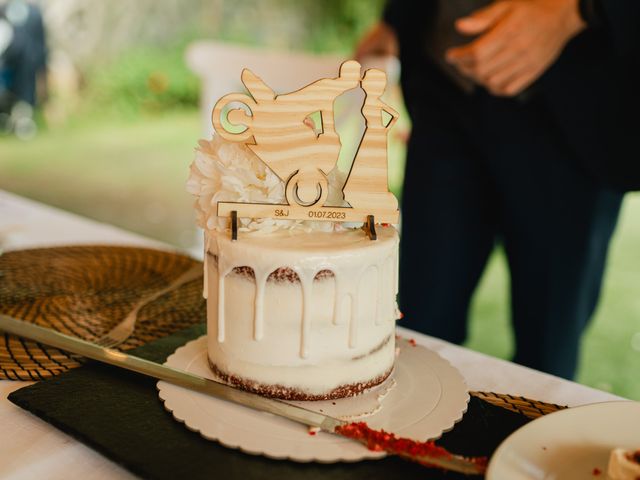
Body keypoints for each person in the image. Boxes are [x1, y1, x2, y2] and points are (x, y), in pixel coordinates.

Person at [355, 0, 639, 379]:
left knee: (546, 354)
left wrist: (578, 10)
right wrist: (399, 15)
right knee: (418, 329)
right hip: (444, 94)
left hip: (572, 117)